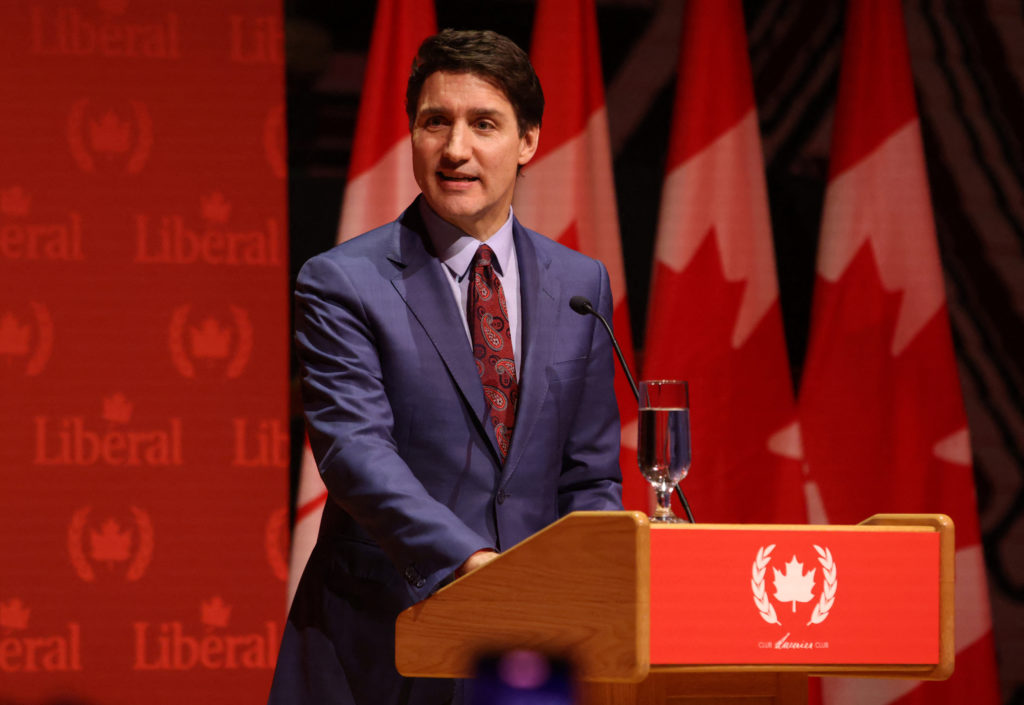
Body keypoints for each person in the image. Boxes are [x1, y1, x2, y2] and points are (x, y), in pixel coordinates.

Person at [268, 28, 623, 705]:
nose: (455, 148)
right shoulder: (343, 282)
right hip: (383, 641)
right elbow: (353, 451)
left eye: (483, 123)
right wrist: (473, 565)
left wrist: (591, 579)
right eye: (436, 122)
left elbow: (591, 471)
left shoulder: (580, 282)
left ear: (528, 142)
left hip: (532, 653)